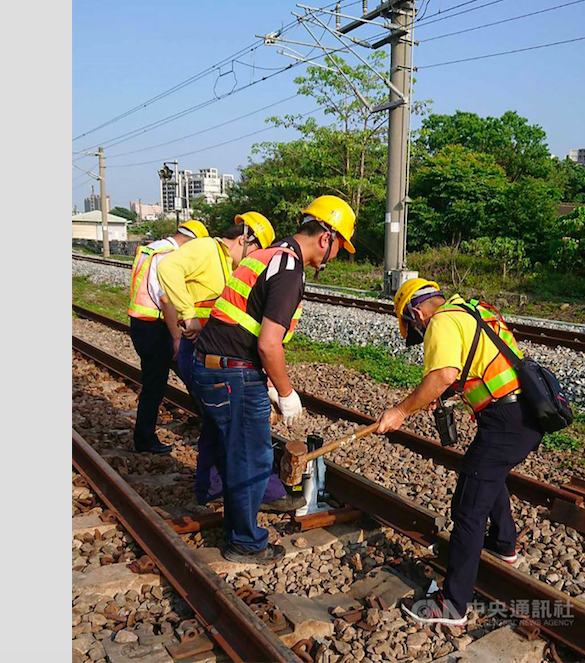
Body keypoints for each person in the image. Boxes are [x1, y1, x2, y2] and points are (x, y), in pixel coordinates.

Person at [190, 195, 357, 564]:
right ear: (326, 238)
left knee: (233, 451)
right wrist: (285, 391)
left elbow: (246, 323)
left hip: (214, 365)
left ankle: (235, 525)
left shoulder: (268, 253)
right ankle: (246, 543)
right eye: (339, 247)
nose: (335, 257)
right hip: (233, 373)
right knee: (252, 457)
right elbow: (268, 343)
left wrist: (262, 379)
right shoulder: (289, 269)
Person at [376, 278, 541, 626]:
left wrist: (401, 411)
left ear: (417, 312)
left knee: (468, 504)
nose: (419, 332)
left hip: (505, 420)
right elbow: (480, 365)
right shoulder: (469, 310)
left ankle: (452, 604)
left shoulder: (440, 321)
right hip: (523, 413)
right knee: (485, 473)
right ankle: (503, 544)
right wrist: (449, 391)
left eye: (413, 326)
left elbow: (443, 373)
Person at [156, 212, 293, 509]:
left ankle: (211, 488)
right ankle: (263, 492)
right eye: (256, 251)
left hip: (216, 351)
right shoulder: (207, 248)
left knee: (218, 424)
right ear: (245, 239)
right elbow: (167, 268)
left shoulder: (229, 265)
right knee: (239, 426)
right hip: (201, 351)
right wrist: (189, 315)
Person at [126, 219, 207, 454]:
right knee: (169, 379)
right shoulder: (168, 255)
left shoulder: (152, 248)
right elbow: (165, 299)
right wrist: (176, 337)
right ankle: (144, 439)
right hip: (156, 328)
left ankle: (207, 421)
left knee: (170, 377)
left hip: (142, 324)